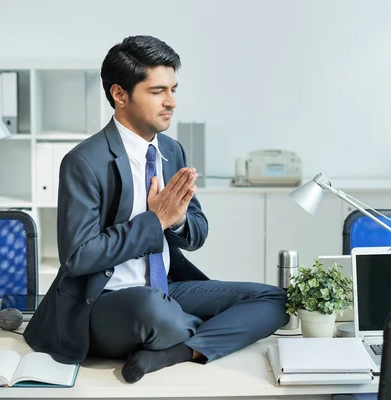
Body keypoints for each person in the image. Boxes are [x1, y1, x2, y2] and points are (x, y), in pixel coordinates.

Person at [23, 35, 289, 384]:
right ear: (120, 95)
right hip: (106, 300)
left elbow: (197, 232)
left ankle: (177, 350)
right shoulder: (84, 162)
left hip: (166, 290)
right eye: (157, 91)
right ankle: (204, 333)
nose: (171, 102)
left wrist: (176, 222)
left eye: (173, 90)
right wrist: (154, 221)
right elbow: (78, 256)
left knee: (276, 299)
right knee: (152, 310)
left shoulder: (171, 150)